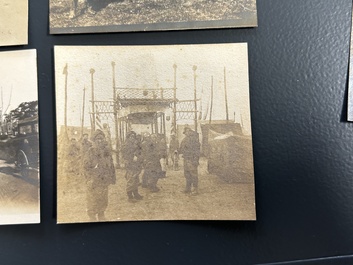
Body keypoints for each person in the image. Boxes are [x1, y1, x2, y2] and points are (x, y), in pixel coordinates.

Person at [83, 129, 116, 221]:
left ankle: (101, 214)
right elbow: (86, 167)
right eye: (97, 139)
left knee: (103, 198)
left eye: (101, 139)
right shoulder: (90, 152)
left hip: (104, 179)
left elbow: (111, 165)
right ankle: (92, 217)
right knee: (92, 199)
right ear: (94, 140)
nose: (100, 141)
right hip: (94, 180)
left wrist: (112, 177)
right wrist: (90, 178)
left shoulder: (106, 151)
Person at [122, 131, 143, 202]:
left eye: (133, 136)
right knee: (131, 179)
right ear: (128, 137)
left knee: (136, 179)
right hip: (130, 164)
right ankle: (130, 196)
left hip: (136, 164)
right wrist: (131, 157)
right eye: (131, 136)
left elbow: (139, 151)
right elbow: (125, 156)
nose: (132, 138)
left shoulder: (136, 144)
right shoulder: (126, 145)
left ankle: (136, 194)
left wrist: (137, 155)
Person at [179, 127, 201, 194]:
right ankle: (188, 188)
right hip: (186, 158)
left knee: (193, 174)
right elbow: (181, 149)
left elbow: (197, 151)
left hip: (192, 159)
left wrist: (196, 159)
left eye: (188, 131)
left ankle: (195, 189)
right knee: (187, 174)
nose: (187, 133)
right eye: (186, 132)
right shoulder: (184, 140)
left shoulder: (194, 140)